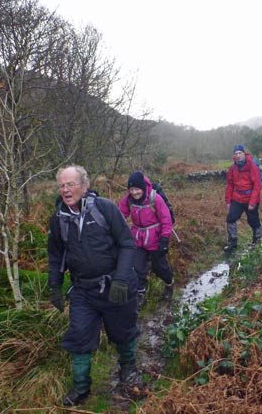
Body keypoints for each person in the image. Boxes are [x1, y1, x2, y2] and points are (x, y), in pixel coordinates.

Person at [47, 165, 140, 407]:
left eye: (70, 184)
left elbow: (127, 245)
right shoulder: (59, 219)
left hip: (114, 285)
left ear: (84, 186)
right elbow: (56, 255)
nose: (65, 190)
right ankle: (81, 387)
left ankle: (128, 367)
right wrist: (54, 286)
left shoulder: (105, 209)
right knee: (79, 336)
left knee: (122, 332)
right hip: (83, 291)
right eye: (61, 185)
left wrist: (121, 280)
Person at [118, 171, 174, 308]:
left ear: (143, 188)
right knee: (137, 267)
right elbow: (119, 216)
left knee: (160, 267)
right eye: (131, 189)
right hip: (137, 238)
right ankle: (141, 293)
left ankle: (169, 283)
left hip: (155, 238)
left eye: (137, 189)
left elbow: (166, 220)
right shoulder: (128, 200)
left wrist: (165, 240)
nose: (135, 192)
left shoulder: (155, 198)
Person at [224, 144, 262, 253]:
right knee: (230, 219)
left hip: (251, 198)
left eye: (240, 153)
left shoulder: (252, 167)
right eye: (236, 154)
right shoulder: (232, 168)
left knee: (253, 221)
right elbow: (230, 185)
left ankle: (256, 241)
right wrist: (228, 201)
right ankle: (233, 242)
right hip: (237, 198)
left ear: (243, 153)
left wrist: (252, 202)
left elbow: (257, 186)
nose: (238, 156)